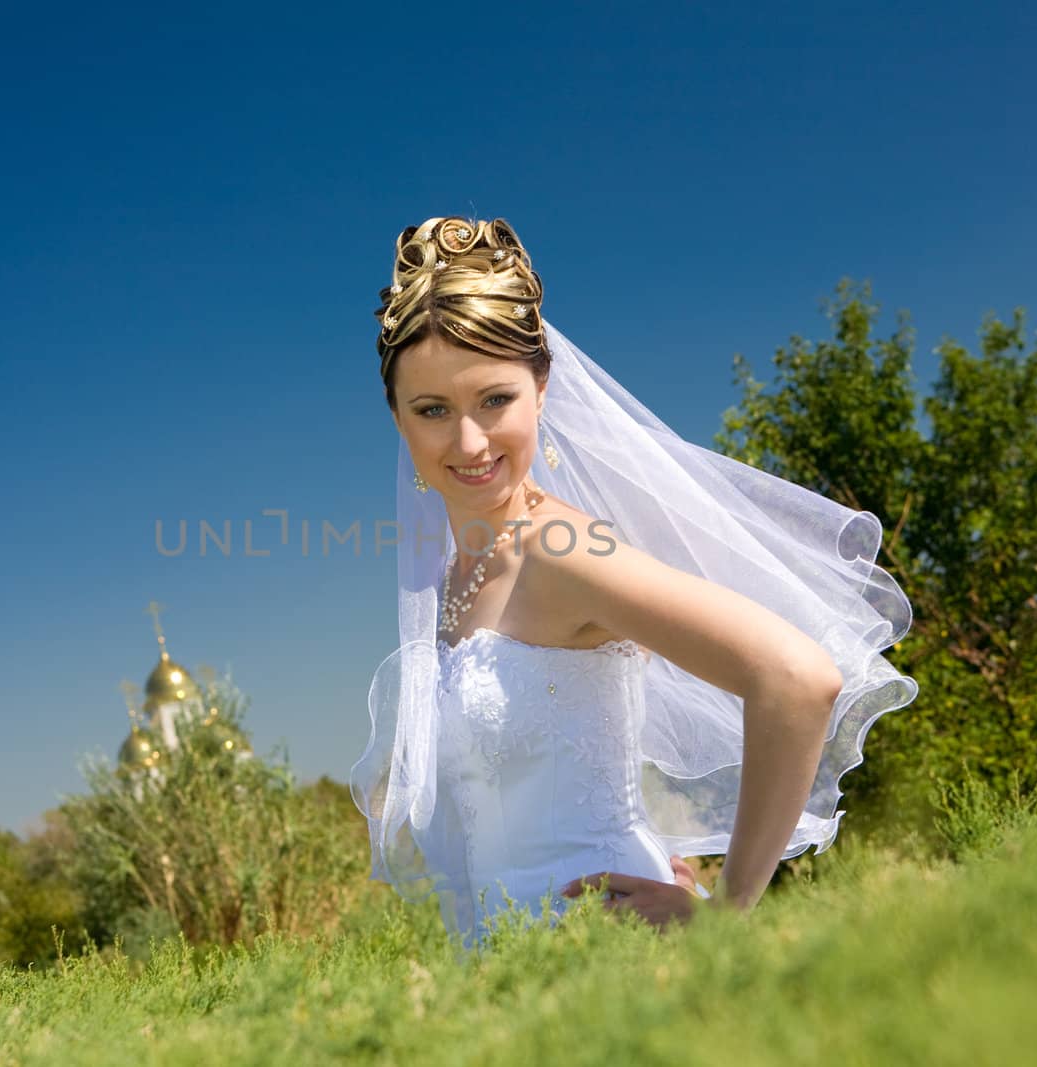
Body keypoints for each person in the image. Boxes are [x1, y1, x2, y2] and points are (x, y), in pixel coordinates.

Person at [349, 216, 920, 951]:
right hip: (504, 976)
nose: (468, 441)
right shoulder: (449, 575)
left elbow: (796, 676)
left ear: (542, 389)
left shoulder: (564, 550)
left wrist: (725, 911)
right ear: (398, 418)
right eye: (433, 410)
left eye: (495, 400)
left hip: (608, 957)